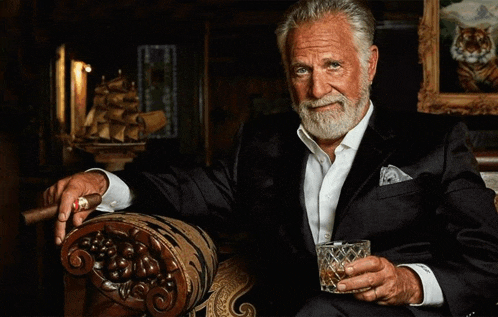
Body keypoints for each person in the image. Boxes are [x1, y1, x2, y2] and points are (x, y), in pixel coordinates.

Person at [44, 0, 498, 316]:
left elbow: (488, 259)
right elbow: (187, 190)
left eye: (333, 66)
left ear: (371, 63)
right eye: (302, 70)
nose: (318, 90)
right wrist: (102, 184)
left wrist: (410, 283)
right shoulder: (261, 143)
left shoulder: (433, 141)